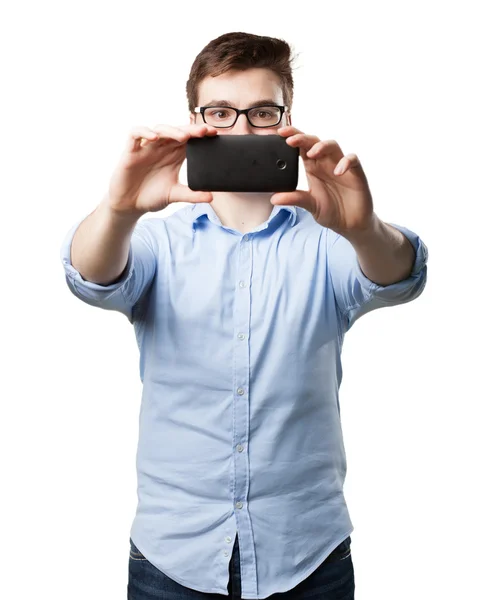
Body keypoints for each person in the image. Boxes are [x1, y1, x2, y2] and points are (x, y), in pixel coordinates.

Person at [60, 32, 428, 600]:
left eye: (261, 112)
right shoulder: (157, 240)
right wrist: (118, 210)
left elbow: (399, 276)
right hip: (172, 558)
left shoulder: (329, 241)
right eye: (221, 112)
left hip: (308, 555)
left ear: (286, 118)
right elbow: (91, 277)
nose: (241, 130)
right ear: (193, 119)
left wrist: (363, 228)